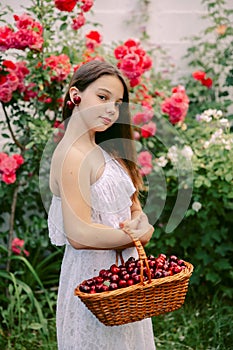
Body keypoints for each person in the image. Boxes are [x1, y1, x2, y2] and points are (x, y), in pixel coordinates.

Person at [48, 60, 156, 349]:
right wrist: (138, 236)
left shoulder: (102, 150)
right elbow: (79, 234)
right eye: (103, 97)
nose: (111, 109)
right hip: (95, 282)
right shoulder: (73, 157)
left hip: (124, 278)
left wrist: (141, 221)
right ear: (75, 96)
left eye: (118, 102)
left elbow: (132, 205)